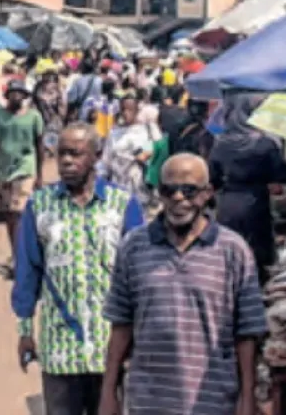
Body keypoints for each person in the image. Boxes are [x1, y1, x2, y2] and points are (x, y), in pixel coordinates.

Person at [100, 153, 267, 415]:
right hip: (149, 402)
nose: (178, 198)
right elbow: (121, 324)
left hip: (213, 402)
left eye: (189, 191)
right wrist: (108, 392)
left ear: (207, 193)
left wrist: (247, 400)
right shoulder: (133, 247)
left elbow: (247, 334)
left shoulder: (233, 250)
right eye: (169, 190)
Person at [13, 123, 144, 415]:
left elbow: (140, 276)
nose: (67, 162)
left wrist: (140, 336)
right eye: (61, 154)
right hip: (59, 349)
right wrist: (24, 331)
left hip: (110, 349)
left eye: (76, 154)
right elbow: (27, 272)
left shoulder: (122, 205)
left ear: (97, 156)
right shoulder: (40, 205)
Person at [209, 92, 286, 283]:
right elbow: (283, 173)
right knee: (258, 256)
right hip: (255, 203)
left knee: (229, 254)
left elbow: (212, 179)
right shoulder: (264, 144)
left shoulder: (220, 144)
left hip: (227, 203)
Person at [0, 79, 44, 270]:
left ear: (24, 95)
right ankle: (16, 253)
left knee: (18, 212)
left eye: (19, 92)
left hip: (25, 168)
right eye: (12, 93)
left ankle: (21, 258)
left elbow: (39, 146)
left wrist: (40, 174)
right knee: (9, 216)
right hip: (3, 170)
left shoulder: (33, 117)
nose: (16, 96)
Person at [99, 94, 159, 208]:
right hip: (117, 190)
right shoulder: (115, 134)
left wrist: (145, 155)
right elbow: (105, 162)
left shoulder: (146, 132)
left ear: (137, 110)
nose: (126, 113)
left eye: (130, 109)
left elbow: (154, 155)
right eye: (123, 109)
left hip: (140, 191)